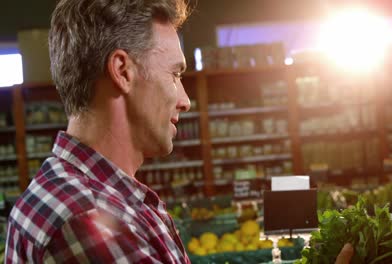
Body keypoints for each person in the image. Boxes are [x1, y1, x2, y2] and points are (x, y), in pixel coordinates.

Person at [4, 0, 355, 263]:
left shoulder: (79, 191)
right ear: (122, 71)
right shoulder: (83, 217)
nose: (185, 100)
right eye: (175, 74)